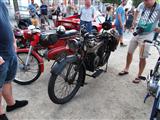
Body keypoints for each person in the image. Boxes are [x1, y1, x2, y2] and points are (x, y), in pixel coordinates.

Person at [119, 0, 160, 84]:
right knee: (129, 51)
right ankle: (126, 69)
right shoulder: (142, 4)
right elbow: (136, 11)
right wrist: (134, 22)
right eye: (144, 1)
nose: (145, 3)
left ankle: (139, 75)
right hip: (138, 32)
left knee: (142, 56)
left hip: (148, 34)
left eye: (147, 1)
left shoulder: (158, 8)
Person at [0, 1, 28, 120]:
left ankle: (11, 104)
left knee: (7, 80)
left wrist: (13, 39)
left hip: (9, 51)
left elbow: (6, 22)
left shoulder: (1, 3)